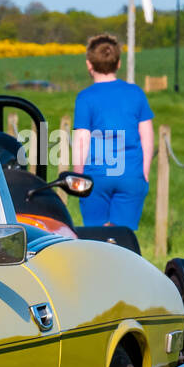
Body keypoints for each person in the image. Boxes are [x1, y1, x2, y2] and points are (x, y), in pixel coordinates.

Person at [71, 33, 154, 230]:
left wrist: (78, 174)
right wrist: (145, 170)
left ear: (89, 65)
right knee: (124, 238)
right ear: (118, 64)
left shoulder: (85, 97)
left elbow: (82, 139)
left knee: (95, 237)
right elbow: (147, 136)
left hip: (96, 175)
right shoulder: (136, 93)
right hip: (131, 174)